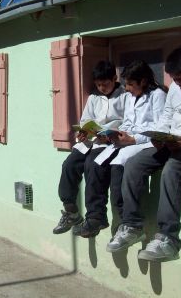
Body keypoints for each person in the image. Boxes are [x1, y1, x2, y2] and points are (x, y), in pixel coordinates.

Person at [106, 46, 181, 262]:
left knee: (171, 170)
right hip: (168, 141)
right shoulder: (176, 89)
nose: (177, 83)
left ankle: (168, 239)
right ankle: (132, 225)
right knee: (133, 164)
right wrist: (159, 136)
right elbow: (167, 115)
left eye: (180, 78)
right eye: (174, 79)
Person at [73, 60, 166, 237]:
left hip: (144, 143)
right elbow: (129, 122)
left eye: (131, 84)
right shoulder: (131, 97)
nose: (127, 88)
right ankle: (98, 218)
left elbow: (160, 129)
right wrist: (118, 134)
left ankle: (129, 223)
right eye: (126, 84)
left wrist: (133, 139)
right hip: (125, 141)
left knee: (119, 172)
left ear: (143, 81)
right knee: (95, 165)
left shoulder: (158, 95)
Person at [53, 61, 127, 235]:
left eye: (105, 84)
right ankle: (71, 211)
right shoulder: (93, 97)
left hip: (110, 142)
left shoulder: (124, 95)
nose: (102, 87)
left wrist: (112, 133)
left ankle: (96, 217)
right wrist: (84, 131)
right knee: (69, 166)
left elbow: (129, 122)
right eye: (98, 84)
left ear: (114, 79)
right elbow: (86, 120)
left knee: (92, 166)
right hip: (92, 141)